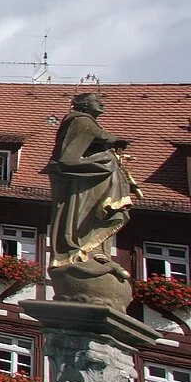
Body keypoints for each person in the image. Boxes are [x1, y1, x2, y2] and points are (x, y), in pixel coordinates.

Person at [47, 91, 141, 271]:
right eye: (96, 101)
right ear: (83, 105)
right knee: (85, 213)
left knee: (95, 212)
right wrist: (105, 161)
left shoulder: (83, 122)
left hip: (90, 182)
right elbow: (68, 159)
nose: (102, 104)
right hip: (84, 183)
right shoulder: (82, 122)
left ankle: (95, 249)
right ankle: (83, 249)